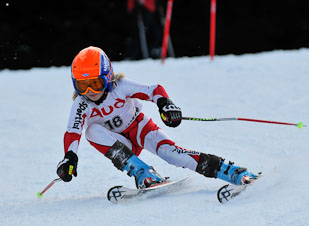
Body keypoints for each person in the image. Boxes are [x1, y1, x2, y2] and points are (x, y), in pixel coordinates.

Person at [57, 46, 258, 189]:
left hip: (141, 128)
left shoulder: (120, 86)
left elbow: (154, 90)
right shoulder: (81, 104)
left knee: (173, 154)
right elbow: (73, 132)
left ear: (108, 76)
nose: (90, 91)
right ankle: (142, 172)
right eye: (83, 86)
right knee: (91, 131)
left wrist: (165, 104)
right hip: (118, 144)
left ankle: (232, 171)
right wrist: (70, 158)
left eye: (96, 83)